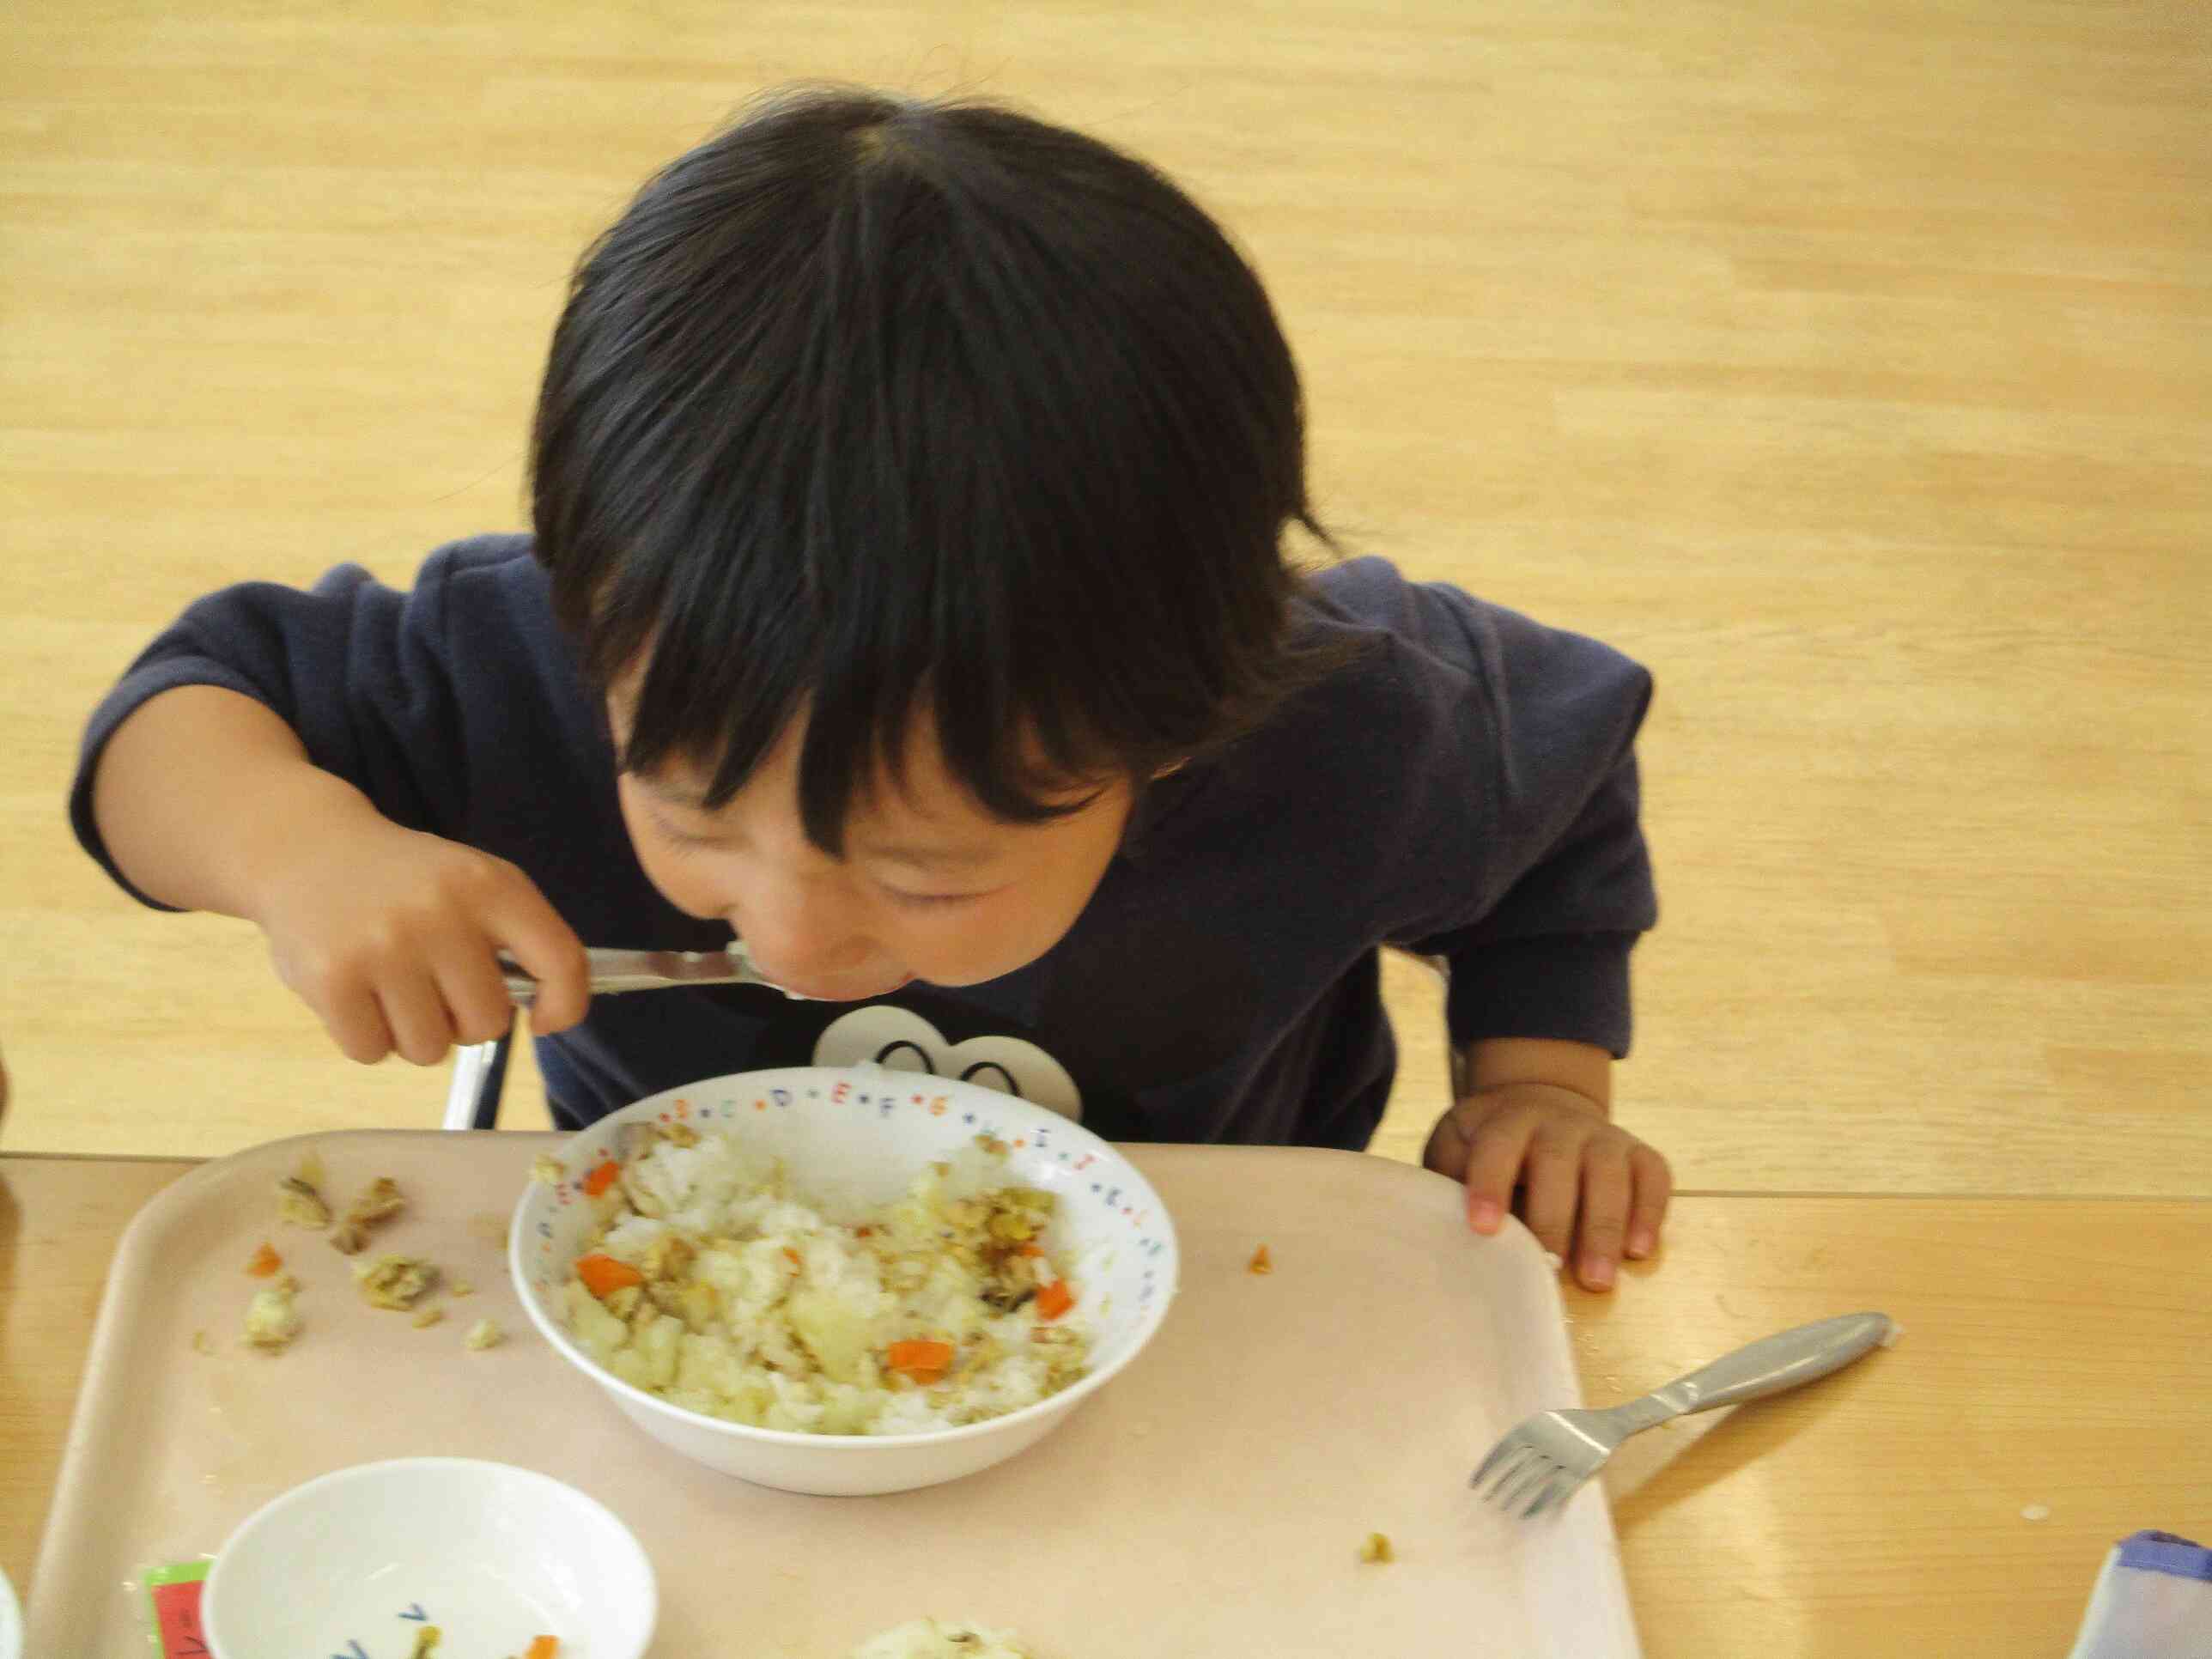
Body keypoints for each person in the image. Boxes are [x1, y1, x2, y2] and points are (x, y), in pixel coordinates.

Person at [71, 85, 1669, 1291]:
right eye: (695, 818)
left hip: (1218, 1283)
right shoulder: (547, 653)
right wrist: (298, 852)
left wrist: (1539, 1084)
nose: (787, 938)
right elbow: (179, 713)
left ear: (1176, 731)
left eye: (925, 872)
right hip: (677, 1275)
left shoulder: (1354, 724)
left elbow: (1565, 804)